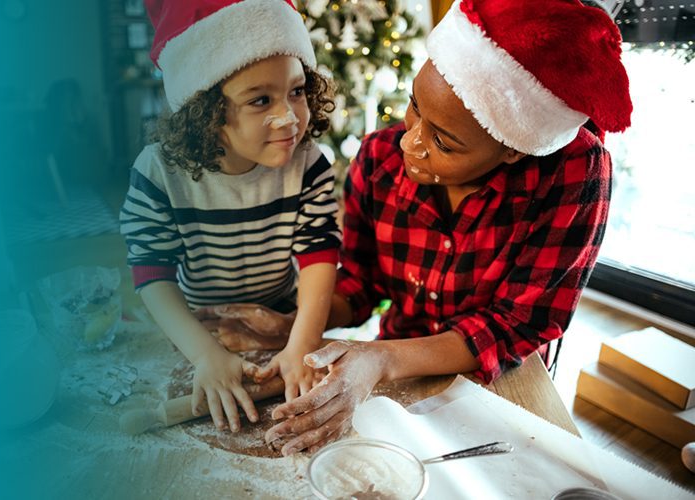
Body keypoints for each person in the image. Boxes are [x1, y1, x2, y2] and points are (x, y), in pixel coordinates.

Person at [203, 0, 632, 454]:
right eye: (413, 106)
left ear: (513, 149)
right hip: (395, 366)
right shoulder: (379, 159)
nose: (410, 140)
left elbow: (520, 323)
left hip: (500, 381)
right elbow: (360, 282)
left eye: (443, 141)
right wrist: (296, 323)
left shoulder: (573, 174)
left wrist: (382, 358)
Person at [121, 0, 341, 433]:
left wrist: (302, 344)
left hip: (279, 321)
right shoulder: (160, 172)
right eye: (260, 100)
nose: (288, 118)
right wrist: (205, 355)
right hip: (198, 326)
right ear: (204, 114)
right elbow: (152, 272)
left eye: (296, 91)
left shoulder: (310, 164)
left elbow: (319, 255)